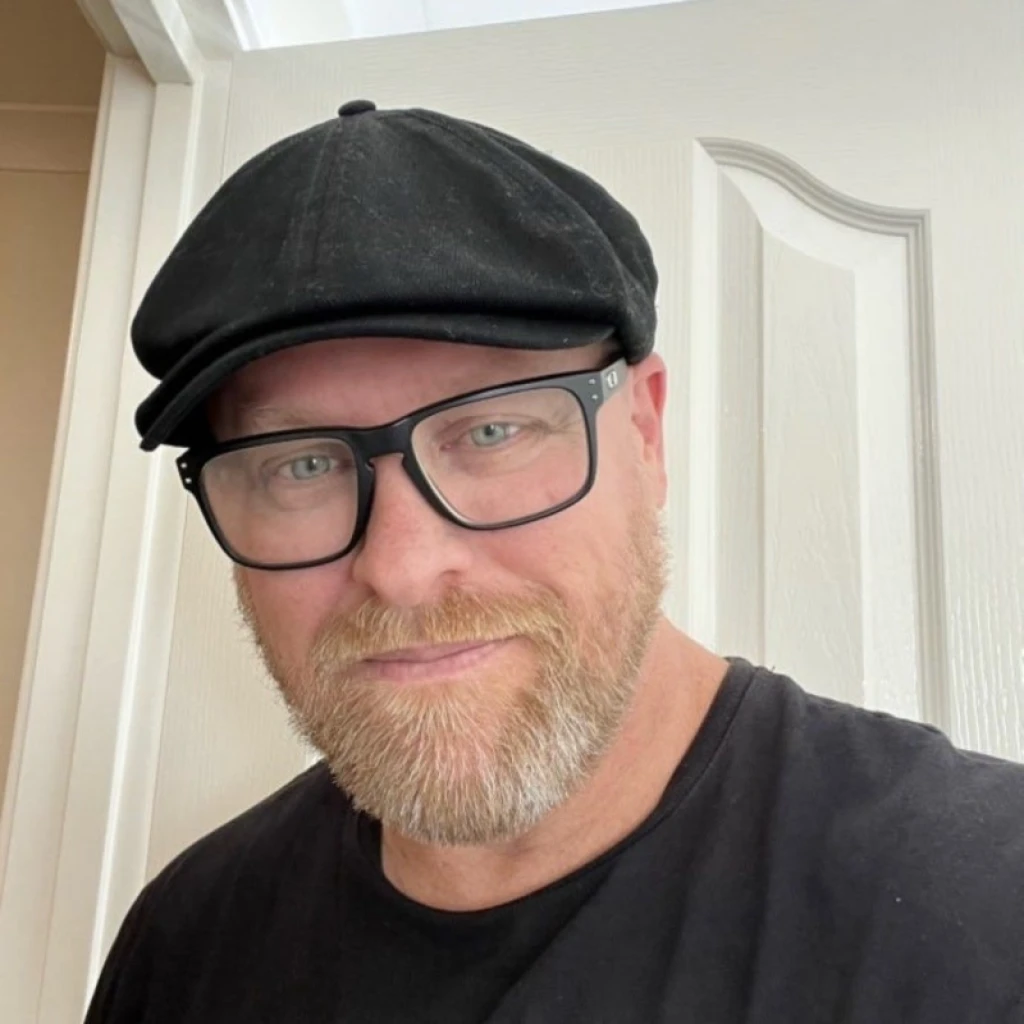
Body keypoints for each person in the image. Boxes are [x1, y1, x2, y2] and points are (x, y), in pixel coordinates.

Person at [85, 101, 1023, 1024]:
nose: (402, 570)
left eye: (491, 430)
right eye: (301, 465)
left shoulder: (987, 908)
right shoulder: (184, 946)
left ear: (644, 432)